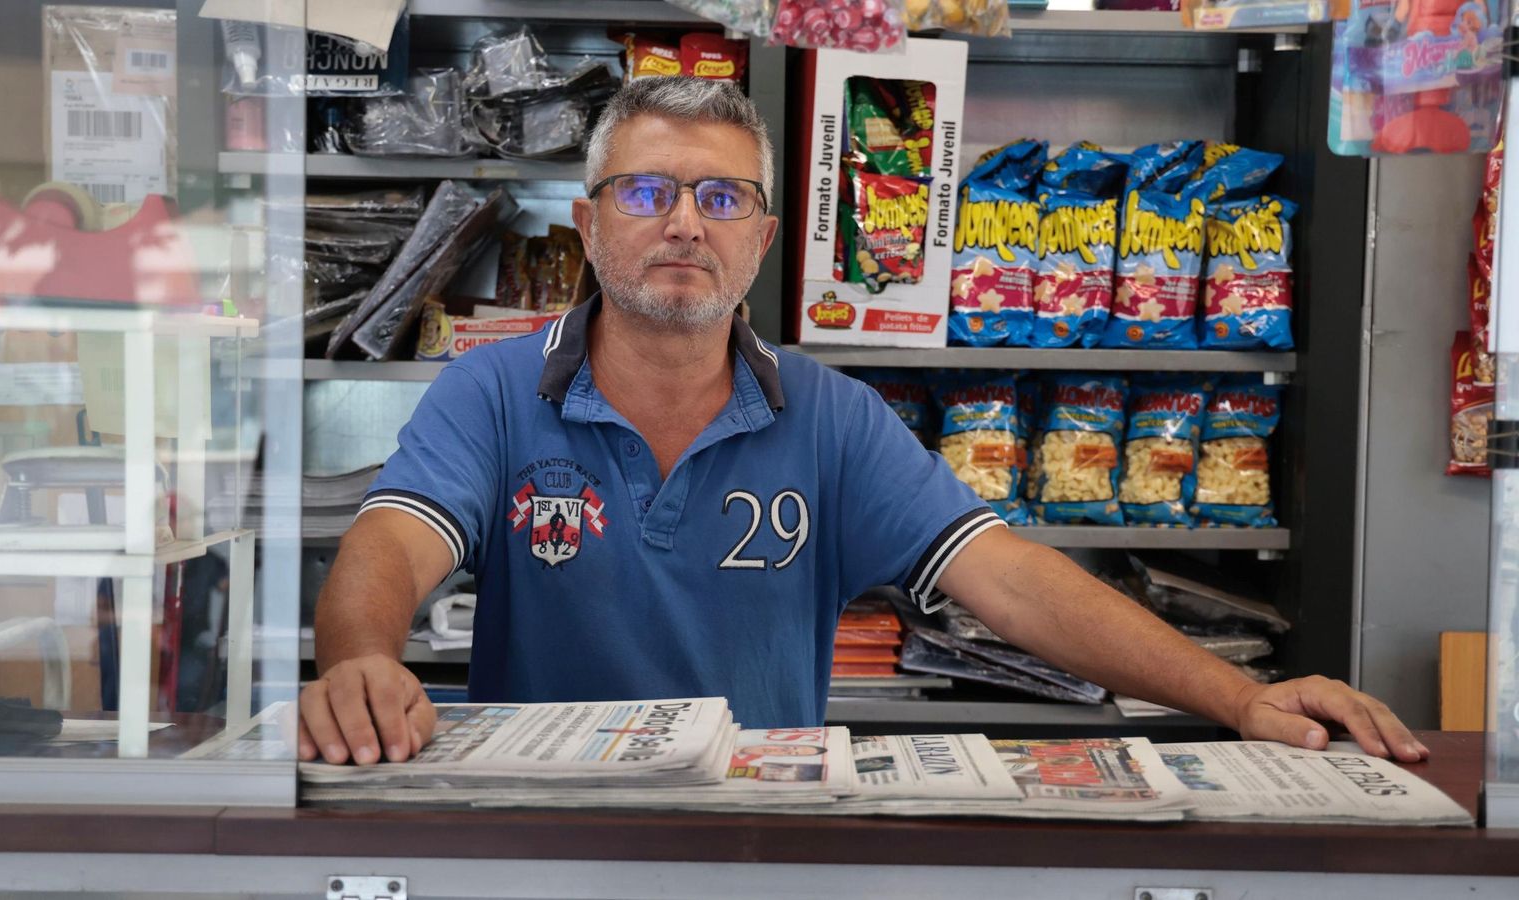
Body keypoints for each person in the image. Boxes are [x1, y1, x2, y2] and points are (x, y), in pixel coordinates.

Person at [298, 77, 1425, 768]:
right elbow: (392, 542)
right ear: (590, 226)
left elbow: (1012, 581)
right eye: (648, 193)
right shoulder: (493, 392)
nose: (684, 223)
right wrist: (357, 662)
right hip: (537, 844)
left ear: (763, 237)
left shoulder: (833, 418)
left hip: (758, 846)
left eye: (721, 198)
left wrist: (1241, 696)